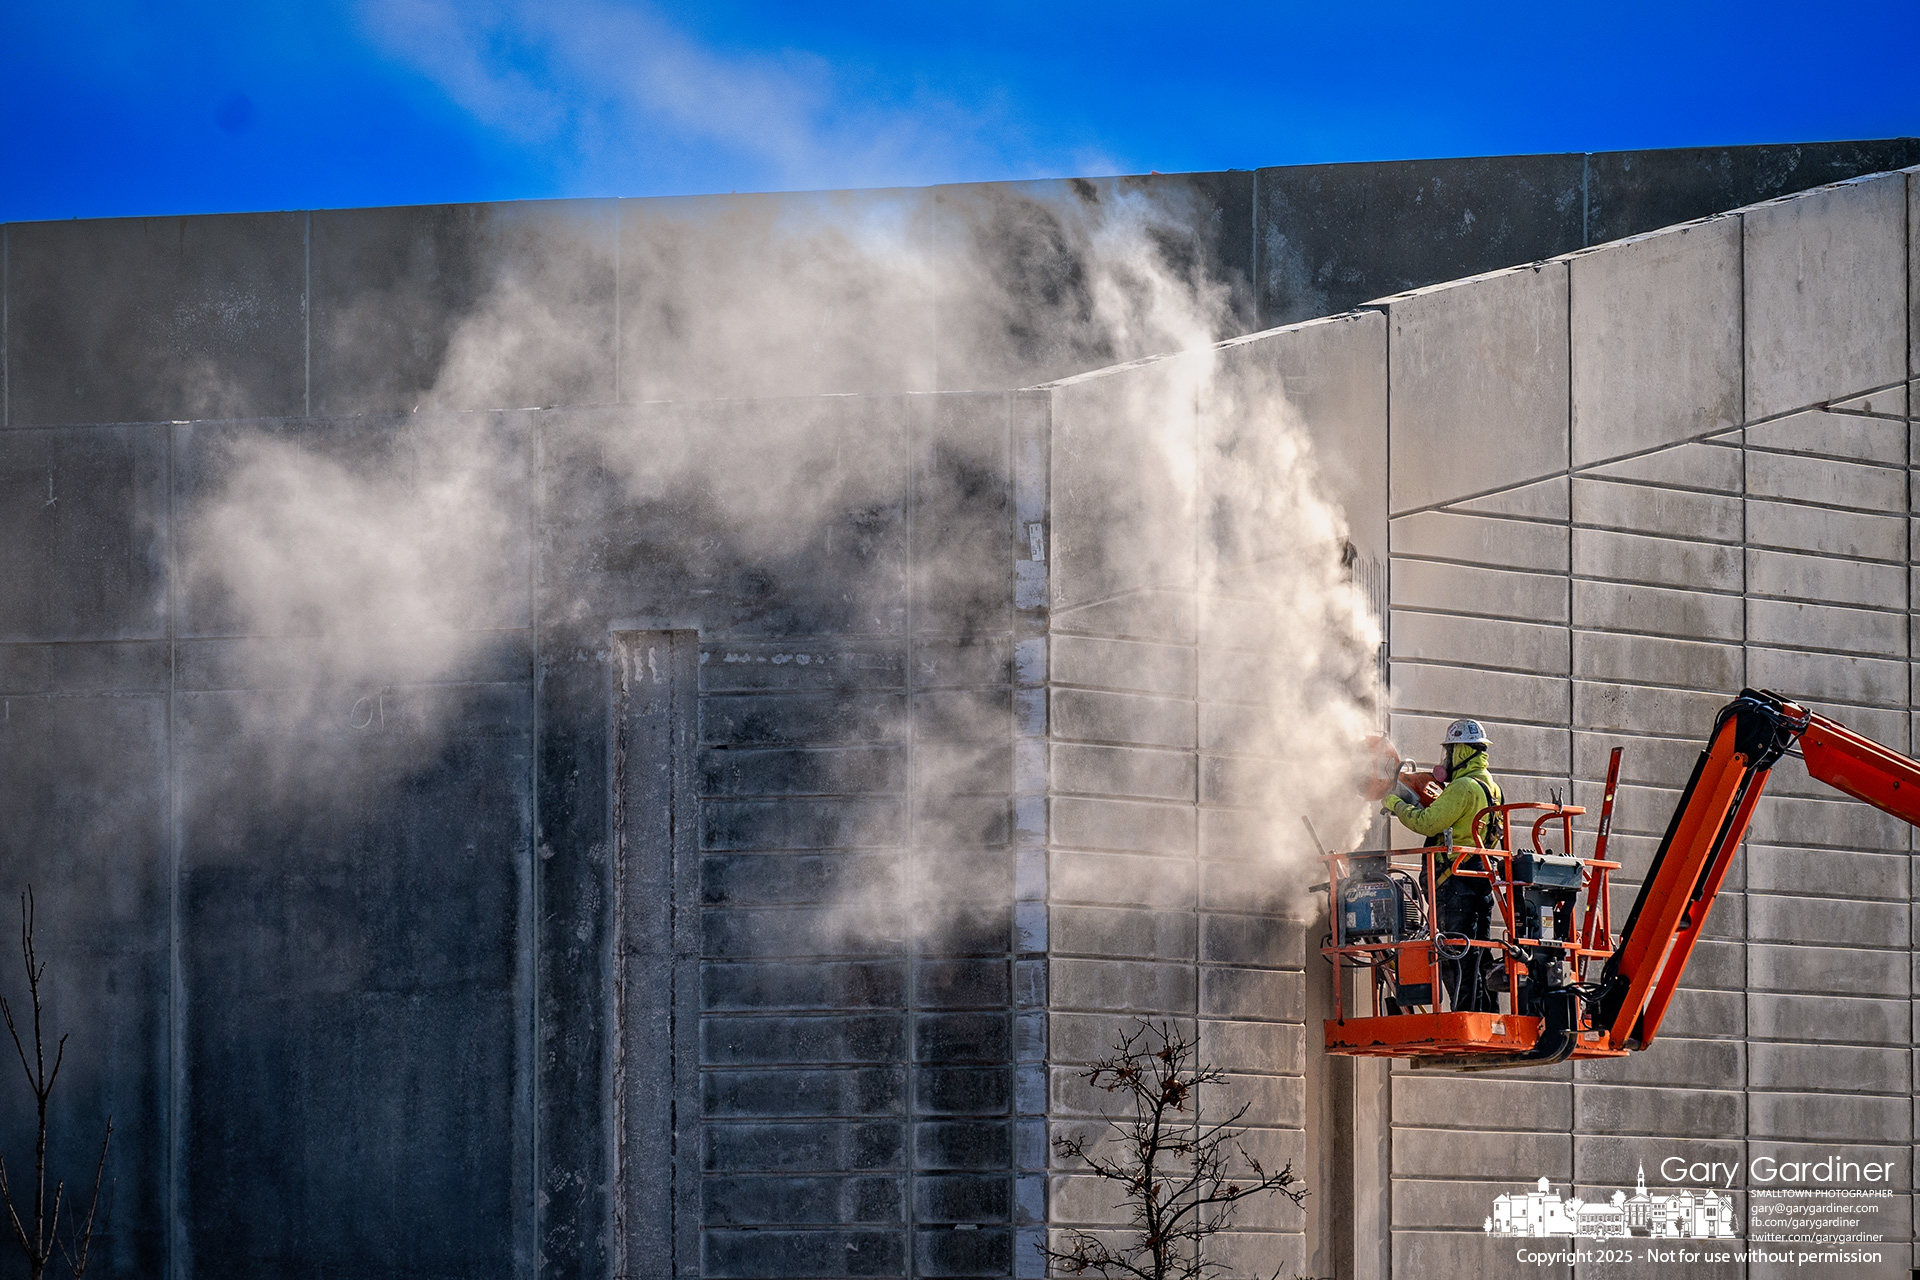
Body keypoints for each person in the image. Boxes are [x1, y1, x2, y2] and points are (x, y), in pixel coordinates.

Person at [1381, 719, 1504, 1012]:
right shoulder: (1492, 787)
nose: (1445, 761)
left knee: (1454, 952)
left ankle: (1464, 1015)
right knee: (1477, 951)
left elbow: (1428, 823)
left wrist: (1395, 804)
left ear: (1460, 752)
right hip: (1480, 879)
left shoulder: (1463, 787)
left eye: (1448, 752)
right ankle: (1485, 1014)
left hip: (1454, 883)